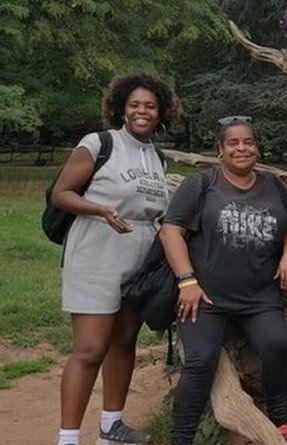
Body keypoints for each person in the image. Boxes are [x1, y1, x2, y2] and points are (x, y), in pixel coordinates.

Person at [159, 117, 287, 445]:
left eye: (248, 142)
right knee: (201, 360)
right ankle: (180, 438)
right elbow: (171, 231)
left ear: (257, 147)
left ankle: (283, 423)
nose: (241, 148)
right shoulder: (201, 185)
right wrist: (187, 281)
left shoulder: (272, 185)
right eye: (233, 143)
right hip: (205, 296)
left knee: (276, 346)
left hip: (259, 296)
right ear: (220, 150)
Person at [52, 73, 179, 445]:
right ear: (122, 107)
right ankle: (69, 438)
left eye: (150, 106)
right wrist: (100, 209)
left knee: (124, 341)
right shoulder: (99, 143)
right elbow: (61, 193)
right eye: (135, 105)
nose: (142, 111)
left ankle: (112, 427)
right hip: (97, 249)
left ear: (161, 113)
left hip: (139, 255)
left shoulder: (156, 156)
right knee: (90, 348)